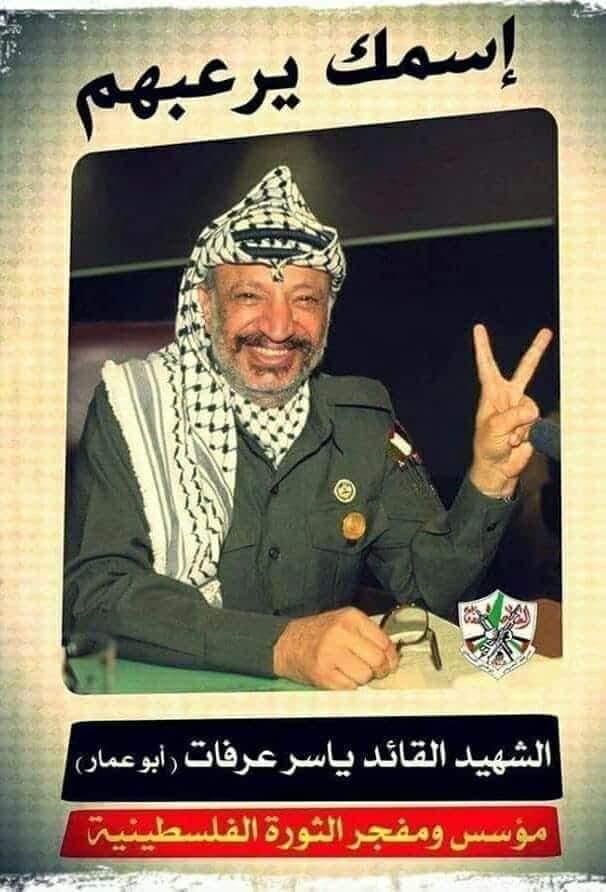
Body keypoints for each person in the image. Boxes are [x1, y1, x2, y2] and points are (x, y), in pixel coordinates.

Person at [64, 166, 552, 690]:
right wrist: (282, 646)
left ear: (328, 311)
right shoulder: (133, 409)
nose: (279, 327)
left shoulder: (362, 417)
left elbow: (429, 591)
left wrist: (490, 479)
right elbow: (95, 593)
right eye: (250, 296)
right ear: (206, 306)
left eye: (304, 299)